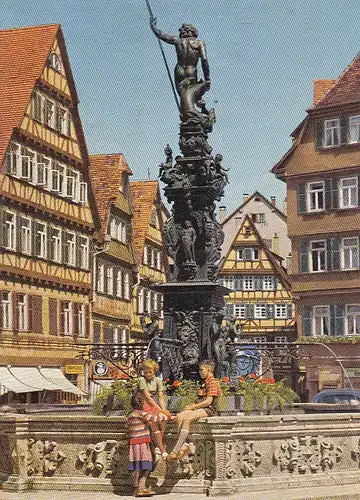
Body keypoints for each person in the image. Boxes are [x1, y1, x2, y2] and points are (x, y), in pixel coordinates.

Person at [150, 17, 210, 117]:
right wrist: (207, 78)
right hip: (191, 71)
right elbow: (204, 61)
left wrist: (153, 26)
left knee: (185, 95)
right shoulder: (199, 43)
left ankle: (194, 109)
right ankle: (195, 109)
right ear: (193, 32)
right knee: (192, 94)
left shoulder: (178, 41)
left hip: (179, 70)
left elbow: (162, 35)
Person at [167, 360, 221, 460]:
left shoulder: (212, 382)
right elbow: (200, 399)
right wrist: (191, 406)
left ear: (208, 370)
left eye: (201, 370)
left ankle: (176, 450)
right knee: (180, 416)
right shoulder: (205, 382)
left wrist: (192, 407)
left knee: (187, 418)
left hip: (209, 410)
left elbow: (208, 402)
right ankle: (185, 445)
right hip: (200, 408)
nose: (199, 372)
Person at [137, 359, 171, 459]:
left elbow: (160, 397)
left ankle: (157, 443)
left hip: (153, 404)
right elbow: (147, 397)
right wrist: (160, 410)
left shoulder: (158, 380)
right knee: (154, 422)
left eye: (150, 372)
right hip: (144, 404)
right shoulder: (141, 380)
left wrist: (163, 410)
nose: (147, 374)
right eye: (145, 372)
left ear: (154, 371)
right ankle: (162, 449)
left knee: (163, 419)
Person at [128, 390, 156, 497]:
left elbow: (127, 428)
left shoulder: (130, 415)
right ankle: (141, 487)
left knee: (136, 466)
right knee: (146, 465)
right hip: (142, 443)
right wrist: (169, 416)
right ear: (141, 403)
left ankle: (135, 487)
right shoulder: (141, 414)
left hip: (133, 444)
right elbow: (155, 419)